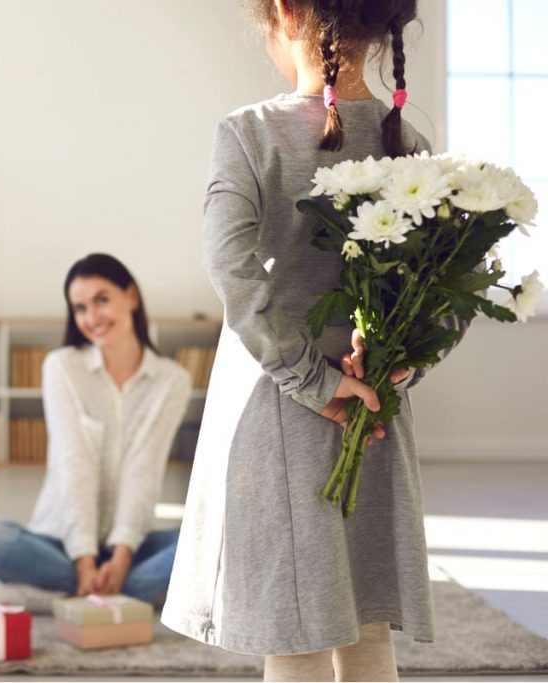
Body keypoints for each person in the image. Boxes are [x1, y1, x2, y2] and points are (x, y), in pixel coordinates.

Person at [161, 1, 435, 681]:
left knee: (295, 632)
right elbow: (437, 293)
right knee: (368, 624)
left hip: (279, 410)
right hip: (374, 411)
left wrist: (314, 380)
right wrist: (397, 368)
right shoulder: (414, 146)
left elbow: (231, 269)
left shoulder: (250, 134)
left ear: (284, 10)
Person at [0, 253, 192, 604]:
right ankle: (116, 588)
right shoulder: (62, 367)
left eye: (102, 300)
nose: (91, 317)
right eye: (80, 308)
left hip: (133, 544)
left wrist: (120, 557)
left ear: (130, 296)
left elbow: (144, 470)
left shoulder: (172, 380)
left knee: (216, 534)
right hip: (61, 541)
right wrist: (85, 560)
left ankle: (107, 585)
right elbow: (75, 465)